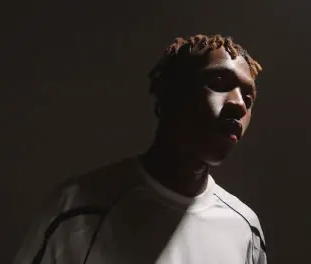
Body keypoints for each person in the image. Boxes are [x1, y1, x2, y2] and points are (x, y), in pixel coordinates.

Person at [14, 34, 266, 264]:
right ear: (171, 92)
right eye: (219, 81)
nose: (239, 105)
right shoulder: (79, 209)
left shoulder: (244, 228)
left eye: (248, 98)